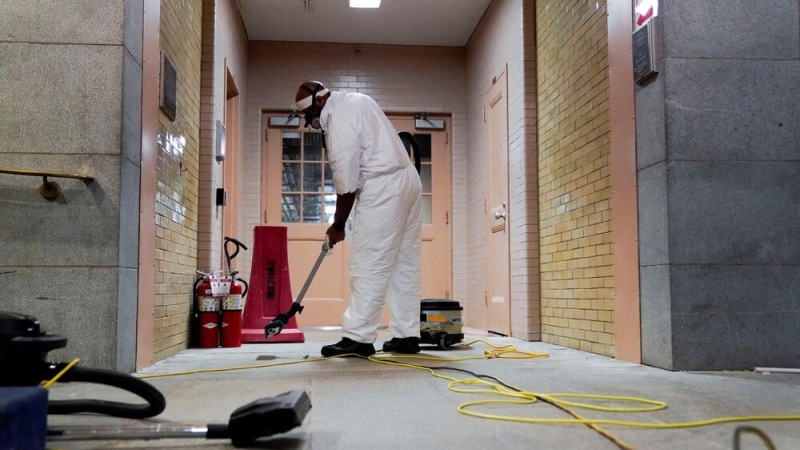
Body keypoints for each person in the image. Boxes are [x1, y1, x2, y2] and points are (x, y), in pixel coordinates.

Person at [293, 80, 422, 357]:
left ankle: (358, 337)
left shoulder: (338, 120)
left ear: (319, 102)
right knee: (404, 264)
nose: (312, 122)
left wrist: (338, 225)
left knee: (367, 263)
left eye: (310, 116)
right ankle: (407, 335)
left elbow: (346, 184)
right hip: (408, 181)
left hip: (384, 187)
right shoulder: (357, 99)